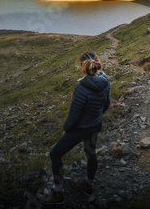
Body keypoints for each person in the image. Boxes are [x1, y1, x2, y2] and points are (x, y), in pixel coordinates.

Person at [38, 50, 110, 205]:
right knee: (91, 154)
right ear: (97, 62)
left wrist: (66, 129)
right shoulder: (105, 80)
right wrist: (96, 117)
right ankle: (87, 185)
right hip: (95, 125)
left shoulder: (81, 89)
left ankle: (57, 193)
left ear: (82, 66)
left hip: (80, 129)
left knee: (55, 154)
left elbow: (74, 117)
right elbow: (106, 105)